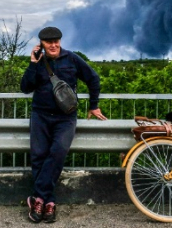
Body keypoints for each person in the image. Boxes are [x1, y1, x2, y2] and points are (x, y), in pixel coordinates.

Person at [20, 26, 107, 223]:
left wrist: (94, 105)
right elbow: (25, 87)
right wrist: (33, 63)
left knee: (58, 151)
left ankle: (37, 198)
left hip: (65, 117)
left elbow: (93, 79)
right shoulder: (38, 61)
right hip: (40, 115)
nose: (53, 45)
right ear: (41, 43)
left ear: (60, 41)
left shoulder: (72, 59)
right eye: (49, 42)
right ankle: (48, 203)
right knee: (39, 157)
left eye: (56, 41)